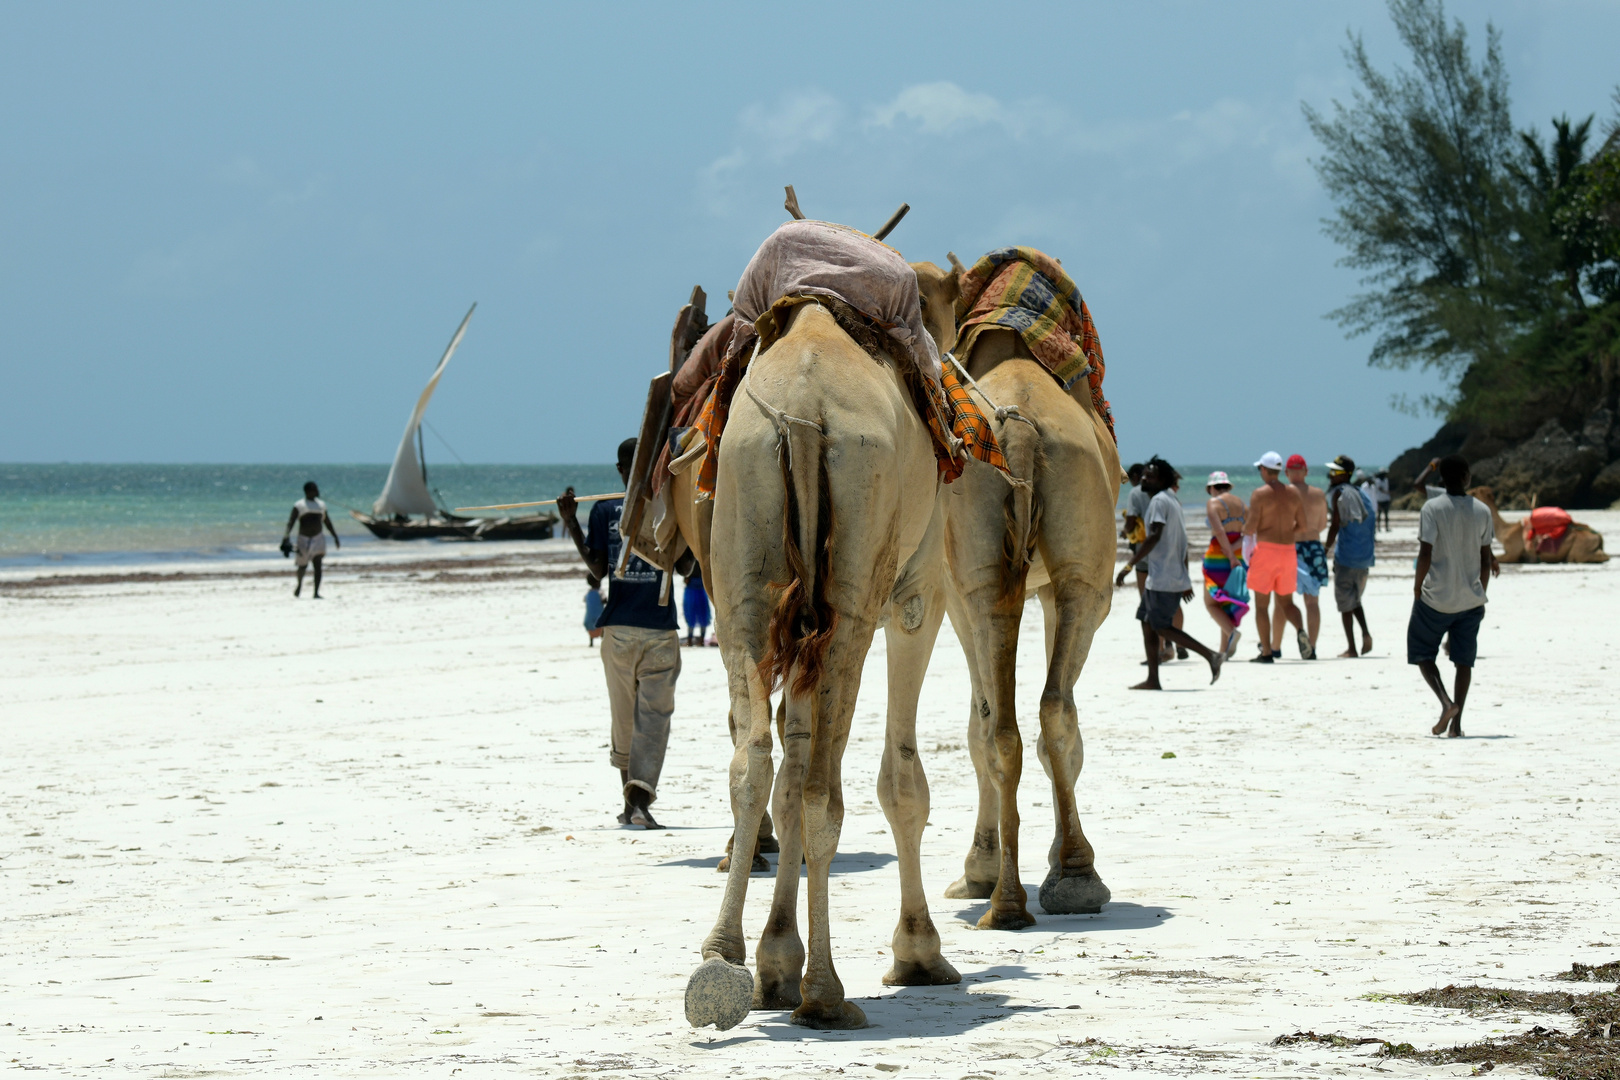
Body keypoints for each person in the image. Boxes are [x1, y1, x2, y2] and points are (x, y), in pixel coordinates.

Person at [558, 438, 688, 828]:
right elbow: (684, 568)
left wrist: (571, 524)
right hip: (661, 630)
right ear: (653, 467)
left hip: (618, 633)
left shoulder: (602, 510)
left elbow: (596, 571)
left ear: (619, 470)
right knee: (654, 718)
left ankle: (631, 803)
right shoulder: (670, 509)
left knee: (624, 719)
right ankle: (638, 801)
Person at [1112, 458, 1224, 689]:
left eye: (1150, 476)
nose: (1144, 479)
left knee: (1160, 626)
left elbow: (1154, 536)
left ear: (1162, 480)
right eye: (1144, 475)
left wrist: (1129, 564)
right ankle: (1153, 679)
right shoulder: (1171, 500)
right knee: (1146, 622)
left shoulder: (1159, 503)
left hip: (1163, 577)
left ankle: (1211, 655)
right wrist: (1184, 577)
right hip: (1163, 576)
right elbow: (1183, 541)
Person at [1407, 455, 1495, 738]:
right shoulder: (1482, 511)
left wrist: (1417, 587)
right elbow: (1485, 559)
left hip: (1437, 598)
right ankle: (1456, 726)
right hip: (1471, 599)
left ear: (1442, 478)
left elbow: (1425, 553)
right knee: (1463, 661)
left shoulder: (1432, 508)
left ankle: (1446, 703)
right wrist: (1480, 591)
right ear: (1467, 477)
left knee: (1421, 651)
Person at [1242, 451, 1305, 663]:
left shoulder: (1259, 494)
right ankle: (1300, 630)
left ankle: (1267, 652)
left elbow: (1251, 526)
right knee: (1287, 602)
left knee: (1262, 605)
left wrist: (1245, 530)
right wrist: (1287, 534)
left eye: (1260, 468)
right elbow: (1303, 525)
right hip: (1288, 551)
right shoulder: (1293, 493)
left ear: (1265, 470)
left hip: (1266, 550)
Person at [1324, 455, 1377, 657]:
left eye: (1335, 472)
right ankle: (1365, 634)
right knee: (1354, 599)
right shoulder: (1360, 493)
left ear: (1344, 475)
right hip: (1364, 558)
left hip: (1346, 557)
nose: (1331, 476)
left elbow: (1335, 525)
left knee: (1345, 603)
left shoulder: (1339, 494)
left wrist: (1325, 550)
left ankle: (1352, 648)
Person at [1201, 470, 1249, 659]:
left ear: (1212, 487)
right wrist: (1234, 552)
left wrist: (1228, 555)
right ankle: (1224, 650)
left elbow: (1220, 532)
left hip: (1218, 557)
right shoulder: (1243, 505)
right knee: (1226, 601)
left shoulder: (1213, 503)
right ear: (1228, 486)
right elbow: (1249, 533)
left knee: (1211, 603)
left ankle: (1231, 633)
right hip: (1239, 556)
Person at [1287, 453, 1329, 660]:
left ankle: (1279, 642)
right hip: (1313, 545)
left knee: (1283, 599)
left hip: (1291, 547)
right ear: (1306, 471)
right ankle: (1312, 647)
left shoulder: (1285, 493)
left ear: (1287, 472)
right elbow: (1322, 523)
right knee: (1312, 602)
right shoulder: (1318, 493)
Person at [281, 481, 340, 599]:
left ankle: (316, 592)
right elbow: (291, 522)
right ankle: (299, 586)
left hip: (318, 538)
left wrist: (335, 536)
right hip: (303, 539)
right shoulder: (299, 505)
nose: (317, 492)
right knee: (302, 566)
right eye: (315, 489)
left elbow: (327, 522)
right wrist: (286, 536)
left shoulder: (321, 505)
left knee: (318, 565)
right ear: (308, 491)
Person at [682, 567, 710, 647]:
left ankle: (700, 640)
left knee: (702, 615)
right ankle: (690, 640)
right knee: (692, 615)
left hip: (700, 587)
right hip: (693, 588)